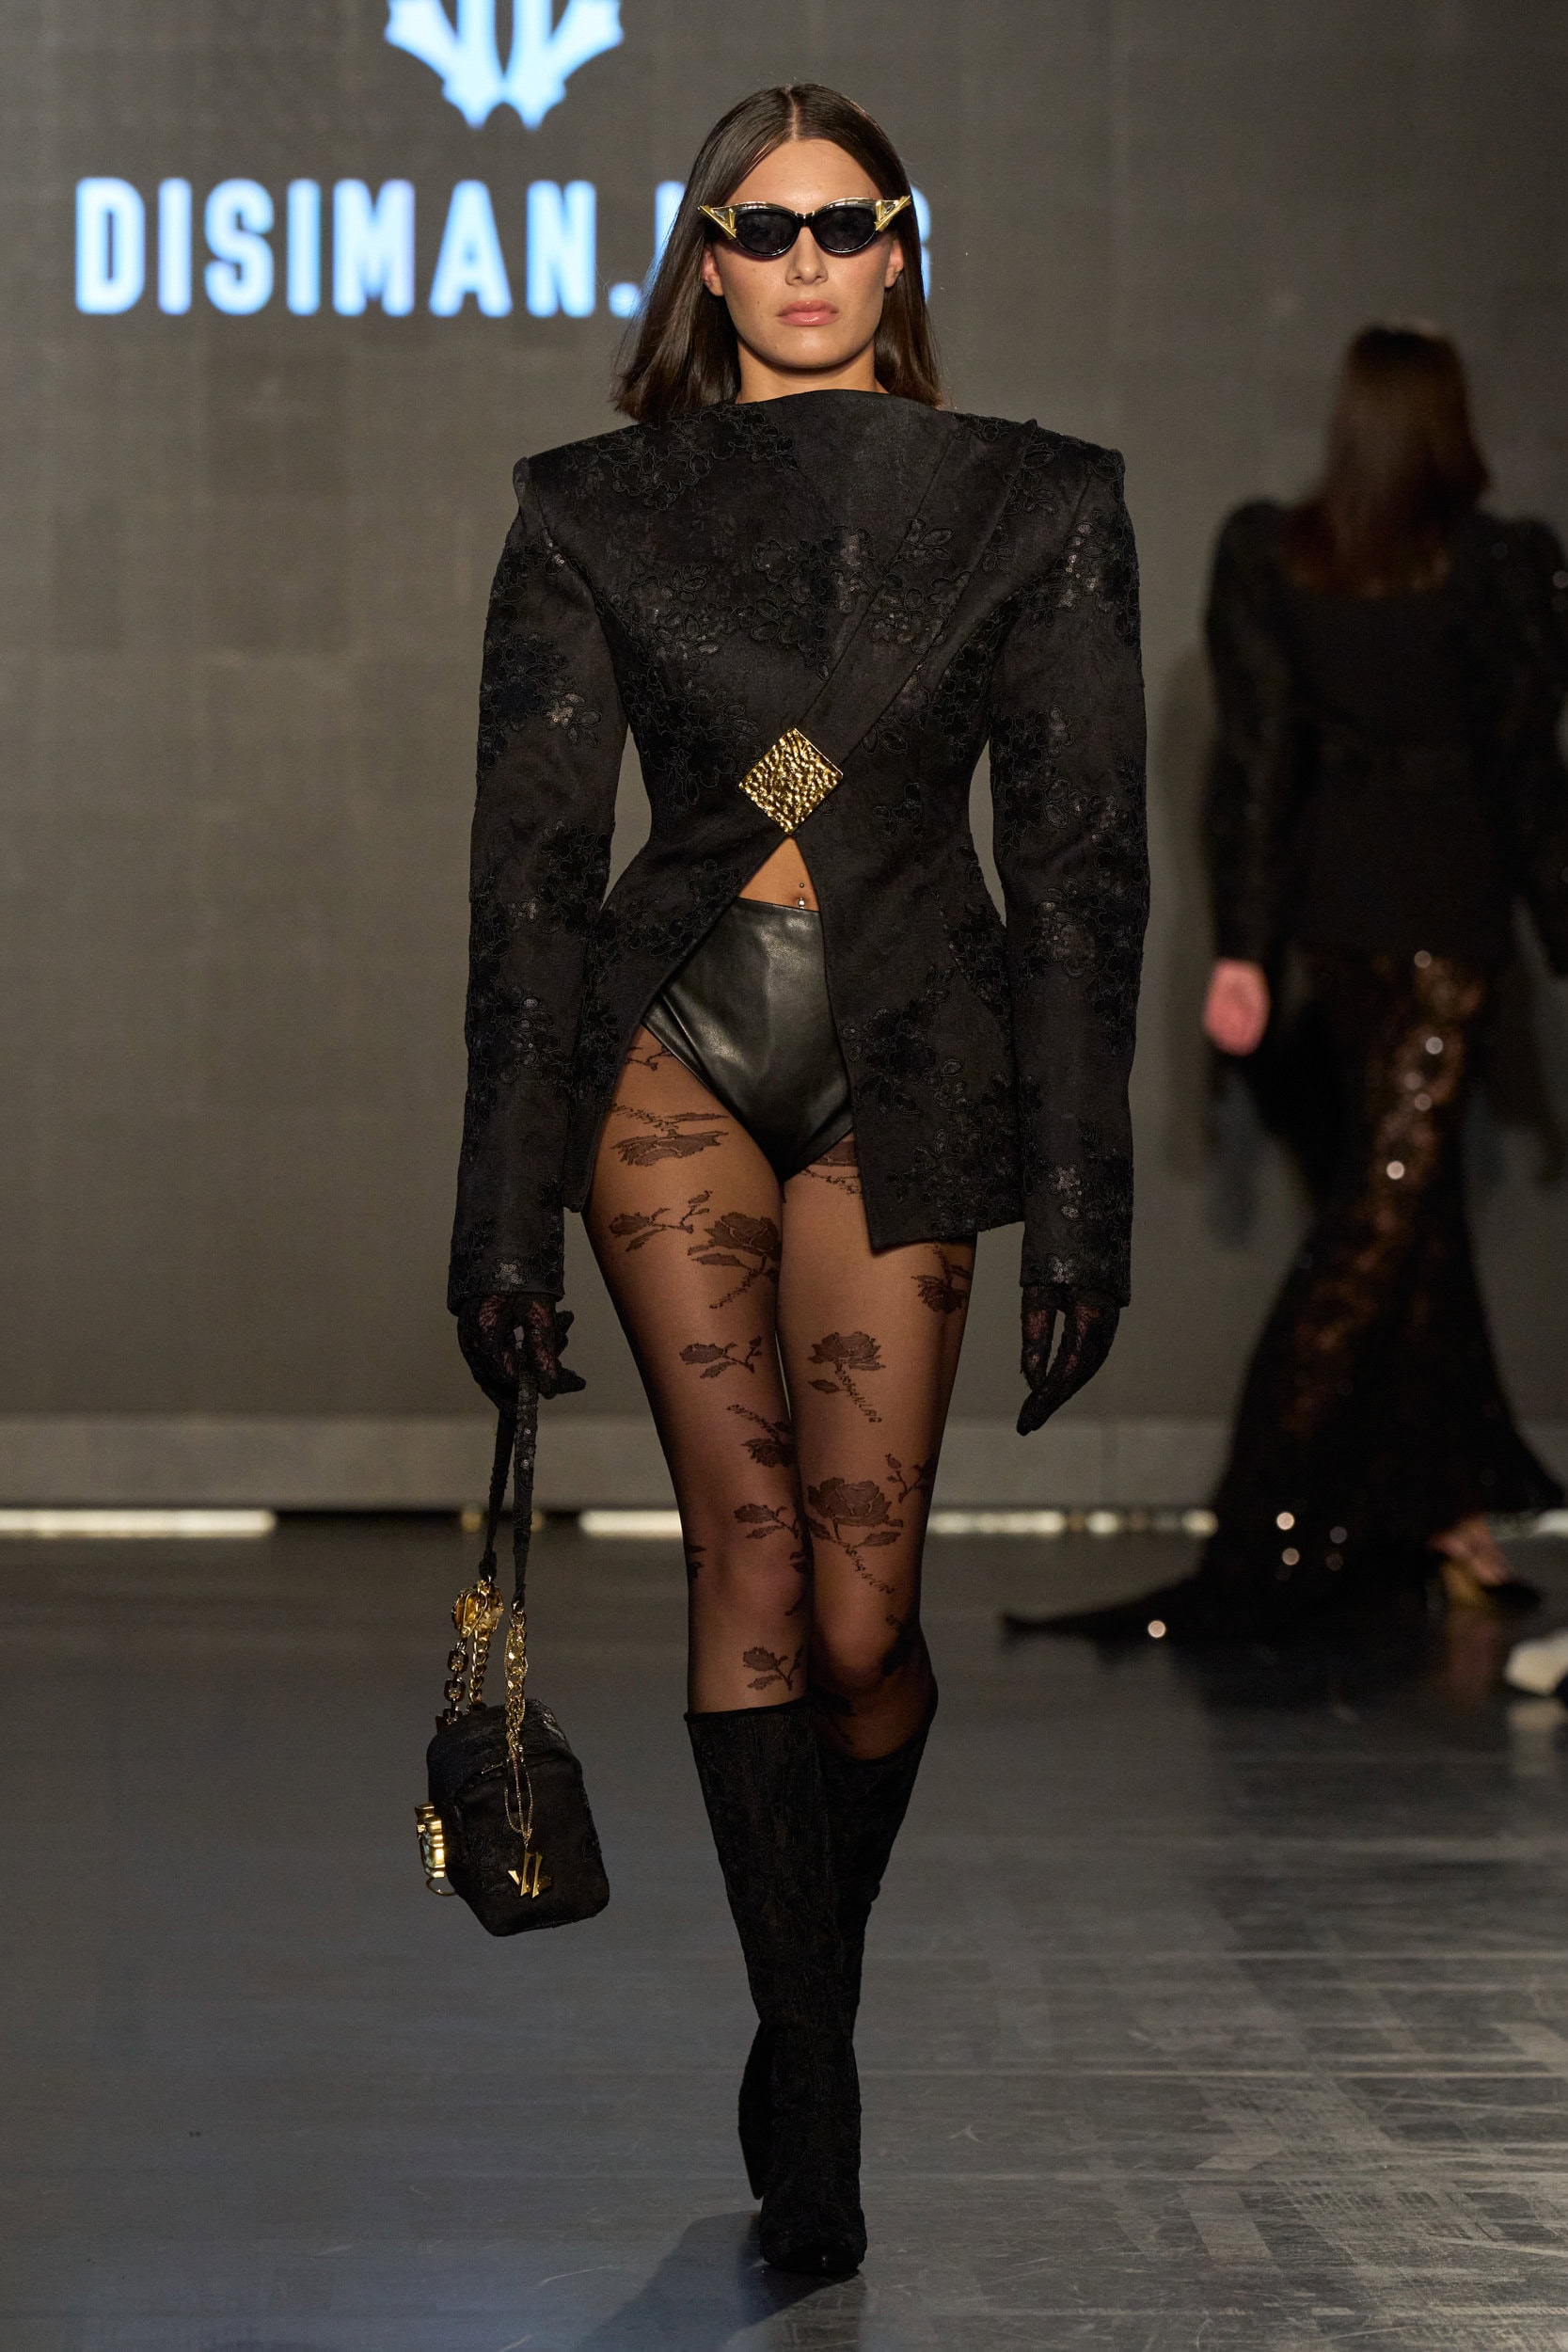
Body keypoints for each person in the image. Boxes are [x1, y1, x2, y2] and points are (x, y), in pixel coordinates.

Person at [447, 85, 1148, 2276]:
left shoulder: (1035, 502)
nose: (810, 261)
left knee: (863, 1614)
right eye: (764, 228)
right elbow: (530, 876)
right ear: (708, 260)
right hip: (671, 1040)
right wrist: (495, 1206)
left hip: (906, 1051)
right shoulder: (591, 509)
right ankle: (814, 2066)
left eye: (849, 223)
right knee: (748, 1553)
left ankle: (802, 1985)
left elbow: (1082, 866)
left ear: (902, 246)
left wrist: (1086, 1192)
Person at [1041, 325, 1566, 1649]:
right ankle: (1262, 1526)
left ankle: (1443, 1519)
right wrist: (1242, 953)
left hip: (1352, 920)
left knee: (1412, 1225)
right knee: (1379, 1222)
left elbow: (1264, 771)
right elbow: (1517, 772)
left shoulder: (1303, 557)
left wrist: (1250, 949)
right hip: (1435, 926)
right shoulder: (1474, 563)